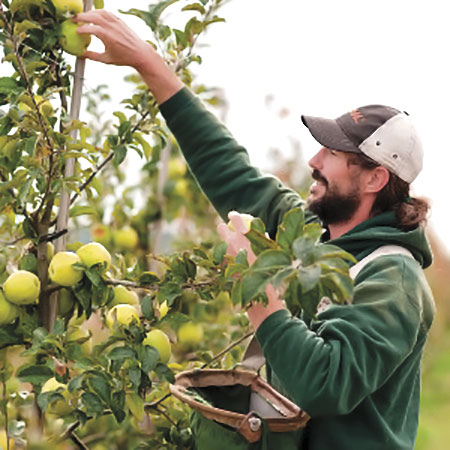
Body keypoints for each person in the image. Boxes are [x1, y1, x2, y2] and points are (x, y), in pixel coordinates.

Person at [74, 10, 435, 450]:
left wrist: (258, 290)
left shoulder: (393, 279)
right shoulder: (308, 235)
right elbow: (230, 170)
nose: (314, 161)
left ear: (375, 179)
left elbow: (323, 384)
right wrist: (149, 65)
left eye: (334, 154)